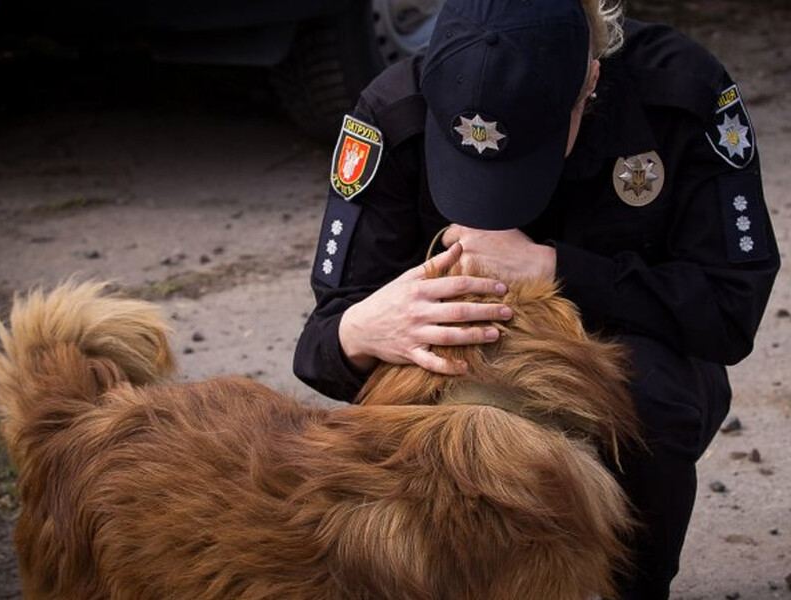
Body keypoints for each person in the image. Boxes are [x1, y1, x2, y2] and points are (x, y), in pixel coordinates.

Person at [293, 0, 781, 597]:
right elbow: (320, 347)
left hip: (631, 369)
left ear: (591, 79)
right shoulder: (392, 113)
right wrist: (359, 330)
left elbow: (730, 310)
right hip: (456, 380)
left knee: (655, 399)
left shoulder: (681, 91)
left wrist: (556, 269)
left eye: (526, 155)